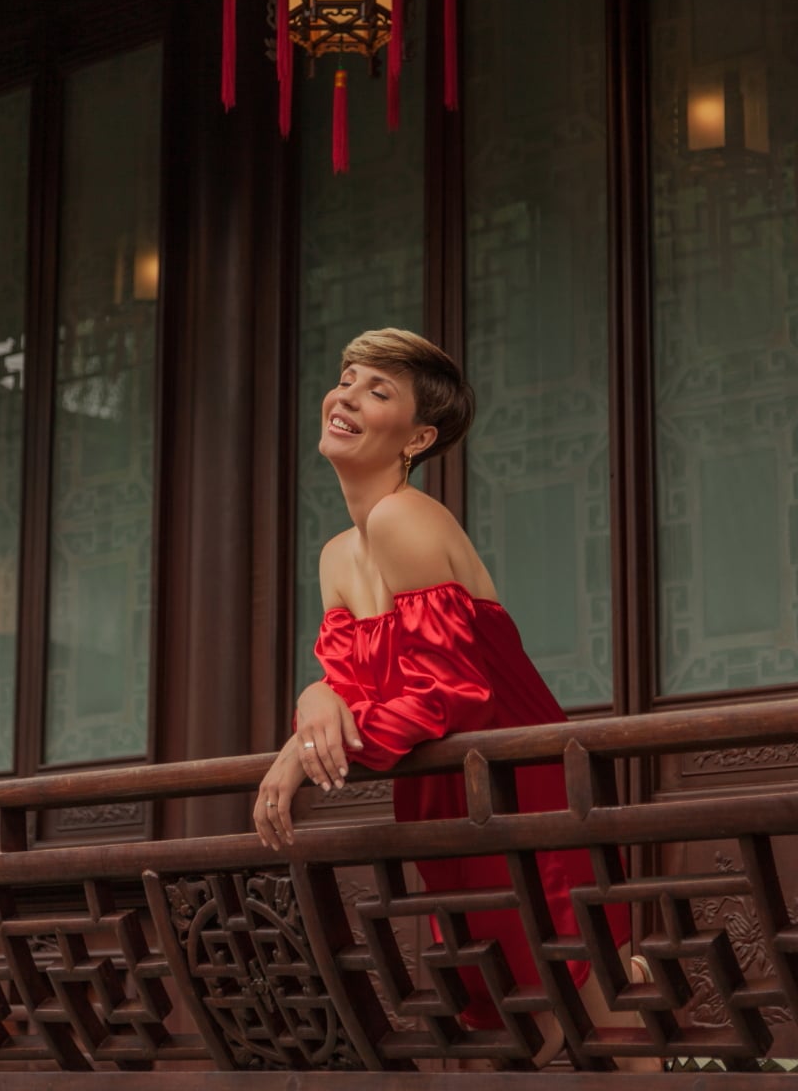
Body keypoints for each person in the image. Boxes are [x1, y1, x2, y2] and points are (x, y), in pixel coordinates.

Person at [254, 327, 655, 1067]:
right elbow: (355, 687)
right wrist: (313, 702)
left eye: (379, 391)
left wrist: (308, 757)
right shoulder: (338, 554)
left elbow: (454, 694)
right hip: (446, 793)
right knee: (515, 1023)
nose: (346, 396)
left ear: (419, 436)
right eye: (347, 377)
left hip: (516, 785)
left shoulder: (401, 517)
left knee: (571, 1005)